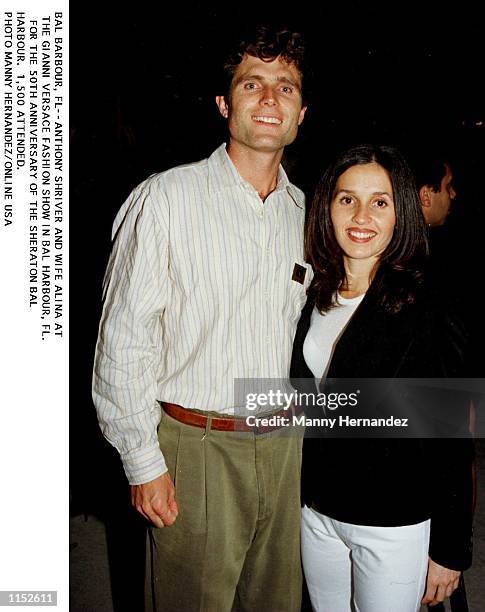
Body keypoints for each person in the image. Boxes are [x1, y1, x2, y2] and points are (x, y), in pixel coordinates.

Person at [92, 25, 311, 611]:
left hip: (286, 447)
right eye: (252, 84)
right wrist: (142, 460)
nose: (270, 99)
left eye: (285, 87)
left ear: (302, 112)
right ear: (223, 103)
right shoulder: (164, 199)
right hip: (198, 447)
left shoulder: (307, 215)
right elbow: (124, 342)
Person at [290, 144, 473, 611]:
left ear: (401, 214)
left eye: (380, 201)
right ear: (327, 207)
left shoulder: (428, 305)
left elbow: (453, 437)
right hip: (318, 511)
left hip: (392, 517)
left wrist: (450, 550)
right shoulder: (316, 292)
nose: (361, 215)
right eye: (347, 199)